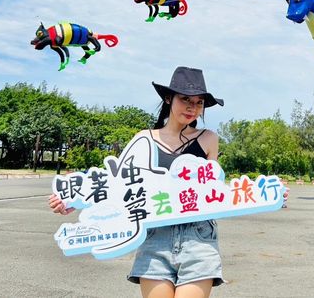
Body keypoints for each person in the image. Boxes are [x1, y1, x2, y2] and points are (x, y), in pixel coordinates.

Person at [50, 66, 225, 298]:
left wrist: (270, 197)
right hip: (155, 235)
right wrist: (75, 201)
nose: (192, 107)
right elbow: (116, 181)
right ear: (168, 98)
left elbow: (216, 187)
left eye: (199, 102)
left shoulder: (209, 139)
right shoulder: (144, 139)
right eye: (185, 99)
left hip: (198, 236)